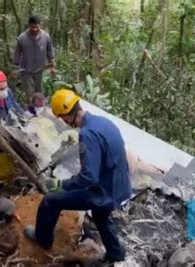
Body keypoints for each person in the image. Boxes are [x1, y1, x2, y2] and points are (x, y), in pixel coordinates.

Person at [24, 89, 131, 263]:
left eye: (61, 118)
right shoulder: (103, 122)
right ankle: (116, 253)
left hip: (103, 192)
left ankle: (42, 239)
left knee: (51, 200)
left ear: (66, 115)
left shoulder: (87, 134)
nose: (63, 122)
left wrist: (60, 184)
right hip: (120, 186)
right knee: (100, 215)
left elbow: (89, 177)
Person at [12, 15, 55, 103]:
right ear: (29, 26)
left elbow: (50, 52)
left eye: (37, 27)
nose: (34, 29)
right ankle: (32, 112)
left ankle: (40, 114)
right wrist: (15, 69)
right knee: (30, 96)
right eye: (32, 27)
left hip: (40, 70)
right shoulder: (22, 38)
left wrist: (52, 66)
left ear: (40, 25)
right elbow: (17, 55)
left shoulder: (46, 37)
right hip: (26, 71)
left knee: (40, 95)